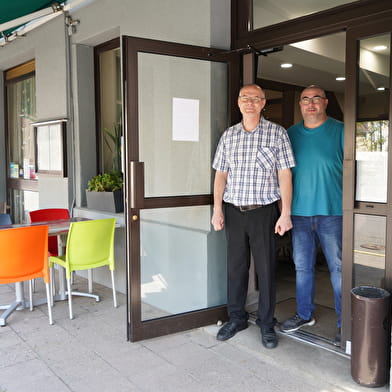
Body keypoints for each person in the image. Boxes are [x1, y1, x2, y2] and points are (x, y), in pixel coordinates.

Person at [211, 83, 295, 349]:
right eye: (244, 98)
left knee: (266, 268)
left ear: (263, 103)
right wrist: (217, 210)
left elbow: (285, 175)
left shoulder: (277, 134)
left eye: (255, 98)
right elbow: (220, 175)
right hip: (234, 211)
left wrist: (286, 213)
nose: (249, 102)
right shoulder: (229, 136)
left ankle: (267, 324)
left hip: (264, 212)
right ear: (238, 102)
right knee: (235, 268)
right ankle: (236, 318)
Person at [280, 85, 343, 342]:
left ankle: (345, 323)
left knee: (338, 268)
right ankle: (304, 313)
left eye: (316, 99)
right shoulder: (289, 134)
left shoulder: (341, 130)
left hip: (333, 212)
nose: (311, 103)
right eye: (305, 99)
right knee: (302, 268)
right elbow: (282, 175)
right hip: (299, 214)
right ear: (300, 105)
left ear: (325, 102)